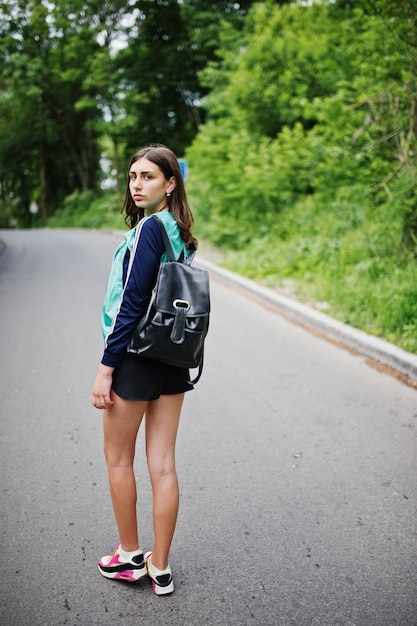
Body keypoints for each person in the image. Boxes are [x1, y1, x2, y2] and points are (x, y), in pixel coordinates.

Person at [91, 145, 198, 595]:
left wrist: (105, 368)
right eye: (133, 176)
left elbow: (132, 304)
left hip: (135, 356)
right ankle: (163, 567)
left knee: (119, 458)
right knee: (163, 465)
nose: (137, 184)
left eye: (149, 177)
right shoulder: (181, 232)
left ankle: (131, 556)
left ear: (170, 183)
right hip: (173, 355)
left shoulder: (151, 229)